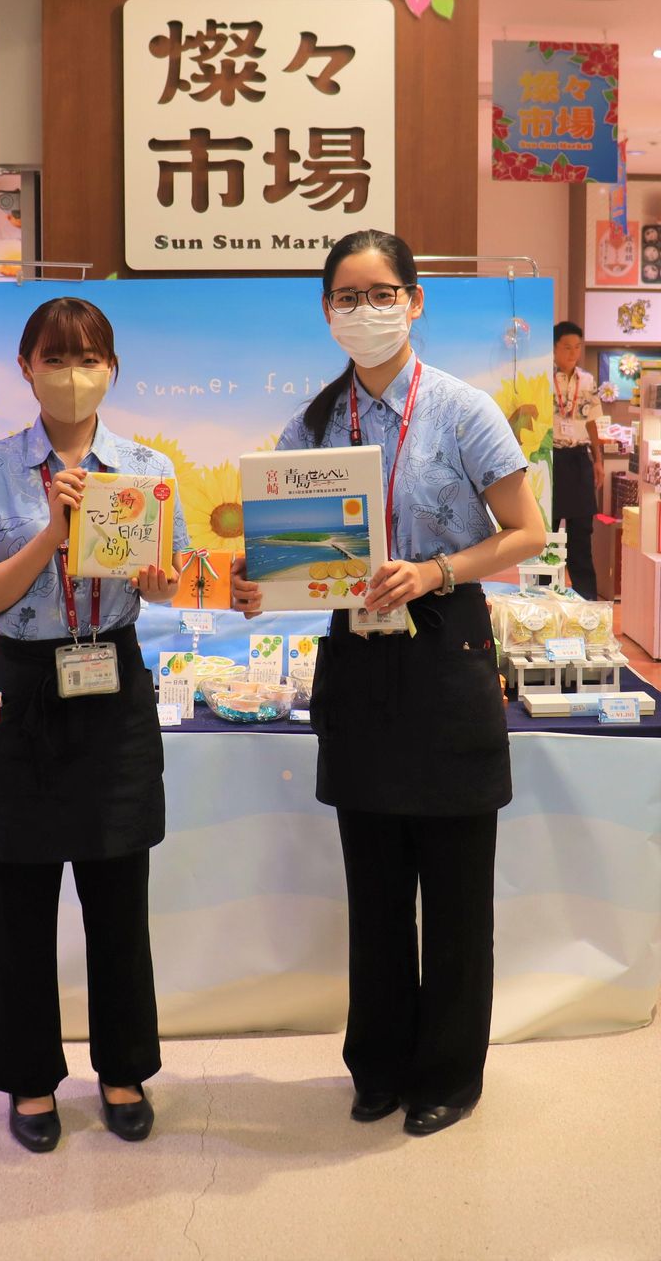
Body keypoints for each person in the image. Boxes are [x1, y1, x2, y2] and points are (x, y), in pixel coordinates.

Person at [232, 230, 545, 1136]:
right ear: (326, 310)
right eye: (346, 296)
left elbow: (526, 532)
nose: (364, 310)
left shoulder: (463, 410)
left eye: (381, 293)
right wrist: (259, 584)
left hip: (446, 647)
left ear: (414, 301)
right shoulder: (314, 425)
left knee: (454, 888)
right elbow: (290, 558)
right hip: (359, 657)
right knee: (372, 890)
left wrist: (438, 570)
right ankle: (377, 1065)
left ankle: (449, 1073)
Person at [0, 296, 188, 1153]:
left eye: (89, 359)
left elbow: (168, 578)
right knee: (19, 895)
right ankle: (30, 1078)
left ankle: (124, 1070)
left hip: (112, 680)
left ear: (112, 369)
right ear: (26, 367)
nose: (73, 375)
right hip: (20, 689)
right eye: (56, 358)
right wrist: (52, 534)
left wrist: (160, 581)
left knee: (118, 894)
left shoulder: (146, 467)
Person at [552, 320, 603, 600]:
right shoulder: (544, 378)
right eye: (567, 347)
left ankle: (587, 599)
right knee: (547, 531)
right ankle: (543, 594)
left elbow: (593, 421)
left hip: (580, 458)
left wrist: (598, 460)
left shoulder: (587, 380)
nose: (573, 353)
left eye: (577, 347)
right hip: (552, 459)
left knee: (582, 532)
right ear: (554, 348)